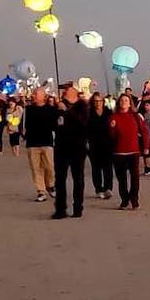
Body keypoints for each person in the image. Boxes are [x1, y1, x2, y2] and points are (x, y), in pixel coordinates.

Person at [53, 84, 89, 219]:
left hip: (77, 147)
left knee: (78, 178)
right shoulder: (59, 105)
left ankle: (78, 208)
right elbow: (54, 123)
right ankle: (60, 209)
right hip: (61, 146)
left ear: (74, 93)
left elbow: (83, 123)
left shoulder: (82, 106)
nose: (65, 92)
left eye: (68, 90)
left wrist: (68, 111)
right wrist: (59, 110)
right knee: (60, 179)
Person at [109, 94, 150, 210]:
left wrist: (146, 147)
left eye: (126, 100)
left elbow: (145, 132)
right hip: (118, 153)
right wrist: (111, 127)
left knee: (135, 178)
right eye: (121, 100)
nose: (124, 102)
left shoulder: (136, 116)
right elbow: (110, 137)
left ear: (130, 103)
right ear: (118, 103)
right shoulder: (113, 117)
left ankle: (134, 200)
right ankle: (124, 200)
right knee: (121, 179)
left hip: (133, 152)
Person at [22, 88, 58, 202]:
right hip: (32, 143)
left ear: (43, 96)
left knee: (50, 167)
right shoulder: (28, 109)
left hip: (47, 141)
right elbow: (23, 124)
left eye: (35, 94)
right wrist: (23, 132)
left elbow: (55, 125)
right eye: (33, 93)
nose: (33, 95)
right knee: (36, 168)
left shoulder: (51, 109)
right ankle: (41, 191)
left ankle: (50, 185)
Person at [86, 92, 114, 199]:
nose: (98, 103)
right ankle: (98, 189)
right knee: (96, 168)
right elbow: (85, 129)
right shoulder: (89, 113)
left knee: (108, 167)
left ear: (103, 102)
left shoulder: (108, 112)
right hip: (94, 144)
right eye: (96, 101)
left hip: (107, 143)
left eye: (100, 101)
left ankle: (108, 188)